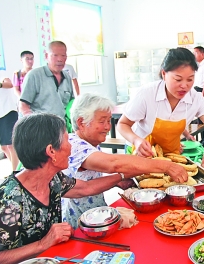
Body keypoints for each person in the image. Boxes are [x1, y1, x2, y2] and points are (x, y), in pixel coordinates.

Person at [0, 114, 179, 263]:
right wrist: (44, 243)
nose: (71, 147)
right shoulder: (10, 202)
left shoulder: (52, 179)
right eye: (67, 141)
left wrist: (124, 175)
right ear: (51, 152)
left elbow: (86, 188)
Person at [61, 93, 188, 228]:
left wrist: (120, 179)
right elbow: (114, 163)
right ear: (81, 123)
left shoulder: (91, 143)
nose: (107, 127)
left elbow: (91, 181)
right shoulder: (74, 145)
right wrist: (166, 166)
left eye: (109, 121)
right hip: (77, 224)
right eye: (102, 121)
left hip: (97, 217)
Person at [20, 41, 74, 119]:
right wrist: (33, 124)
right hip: (40, 127)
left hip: (61, 126)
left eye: (63, 55)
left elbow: (70, 104)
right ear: (46, 56)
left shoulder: (67, 77)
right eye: (55, 55)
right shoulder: (34, 75)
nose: (60, 59)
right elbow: (23, 105)